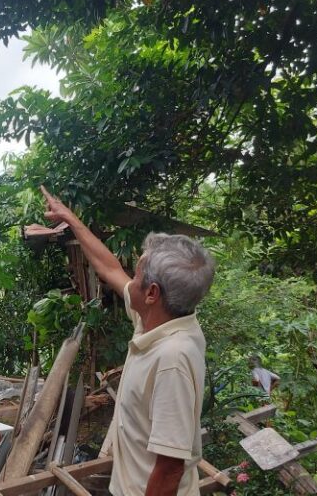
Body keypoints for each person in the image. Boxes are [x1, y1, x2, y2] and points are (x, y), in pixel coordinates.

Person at [41, 186, 215, 496]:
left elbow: (171, 466)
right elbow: (108, 267)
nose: (128, 280)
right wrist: (70, 218)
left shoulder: (172, 358)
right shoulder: (157, 319)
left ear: (152, 294)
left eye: (136, 275)